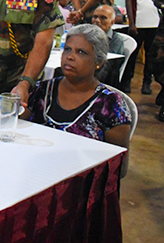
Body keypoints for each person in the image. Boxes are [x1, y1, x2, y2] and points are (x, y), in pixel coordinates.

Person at [21, 24, 131, 154]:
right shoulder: (43, 91)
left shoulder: (111, 105)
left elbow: (118, 164)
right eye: (67, 49)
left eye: (81, 52)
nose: (70, 57)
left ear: (99, 62)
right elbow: (18, 131)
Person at [123, 0, 164, 94]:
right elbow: (129, 1)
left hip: (156, 24)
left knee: (151, 55)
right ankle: (127, 81)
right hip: (139, 24)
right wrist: (132, 23)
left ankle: (146, 83)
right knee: (133, 55)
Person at [91, 5, 125, 86]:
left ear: (112, 22)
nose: (97, 20)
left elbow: (108, 64)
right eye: (95, 17)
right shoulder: (87, 36)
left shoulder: (116, 40)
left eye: (103, 18)